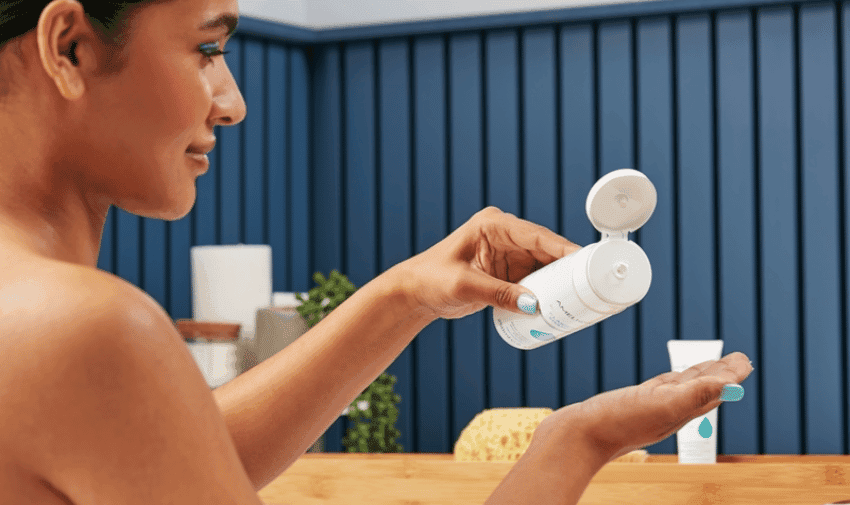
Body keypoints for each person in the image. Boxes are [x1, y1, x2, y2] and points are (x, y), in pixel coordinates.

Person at [0, 0, 753, 503]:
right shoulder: (88, 330)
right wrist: (576, 440)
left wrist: (407, 295)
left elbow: (175, 454)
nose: (232, 103)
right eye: (205, 49)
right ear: (69, 47)